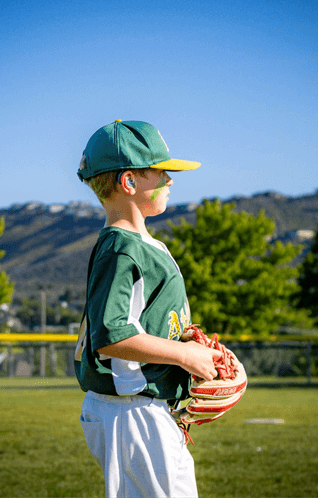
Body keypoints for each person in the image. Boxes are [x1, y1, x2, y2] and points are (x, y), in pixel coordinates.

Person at [73, 119, 224, 498]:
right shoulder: (122, 247)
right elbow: (111, 336)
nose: (170, 180)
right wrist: (185, 355)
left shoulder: (140, 244)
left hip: (140, 410)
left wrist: (188, 345)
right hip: (132, 410)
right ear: (128, 182)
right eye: (160, 172)